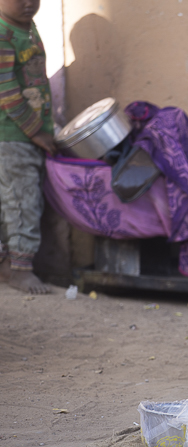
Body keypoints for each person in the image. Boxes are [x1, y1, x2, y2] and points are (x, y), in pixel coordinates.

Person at [0, 0, 56, 295]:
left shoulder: (27, 27)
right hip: (12, 138)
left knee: (11, 201)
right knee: (22, 201)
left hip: (22, 136)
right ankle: (21, 270)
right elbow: (7, 92)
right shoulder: (3, 33)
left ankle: (7, 265)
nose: (28, 3)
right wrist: (38, 133)